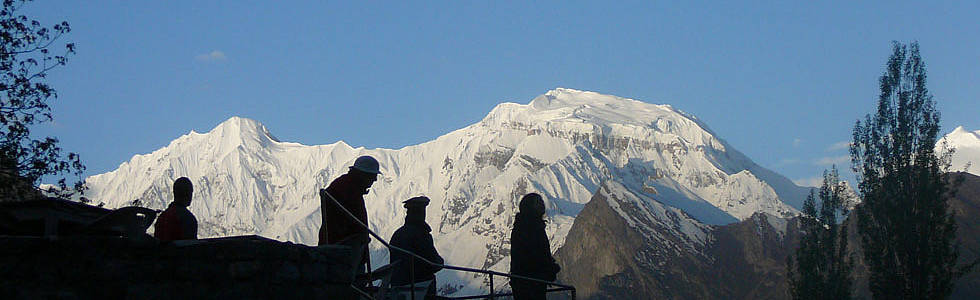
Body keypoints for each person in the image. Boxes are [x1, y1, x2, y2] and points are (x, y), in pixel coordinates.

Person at [319, 155, 381, 275]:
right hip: (344, 250)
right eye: (373, 176)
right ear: (363, 175)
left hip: (344, 247)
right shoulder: (348, 190)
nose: (375, 180)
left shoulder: (347, 187)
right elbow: (350, 220)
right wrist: (359, 236)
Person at [389, 196, 444, 300]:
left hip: (398, 286)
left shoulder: (398, 234)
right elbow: (432, 262)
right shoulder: (421, 234)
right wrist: (440, 262)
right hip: (419, 287)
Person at [509, 193, 560, 300]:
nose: (542, 204)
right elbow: (535, 256)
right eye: (538, 202)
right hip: (531, 284)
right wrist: (549, 269)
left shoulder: (523, 226)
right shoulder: (531, 229)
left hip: (525, 283)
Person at [154, 177, 198, 242]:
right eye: (190, 192)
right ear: (187, 194)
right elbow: (191, 247)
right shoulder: (188, 218)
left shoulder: (162, 217)